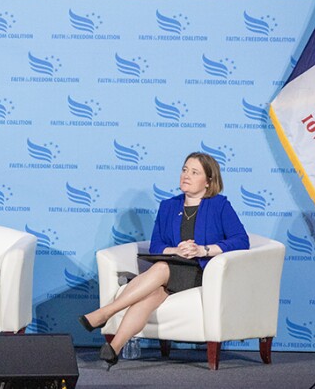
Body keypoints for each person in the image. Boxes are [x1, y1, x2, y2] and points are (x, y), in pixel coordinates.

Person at [79, 152, 249, 368]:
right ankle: (114, 348)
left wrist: (202, 250)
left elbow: (241, 240)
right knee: (150, 294)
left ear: (208, 181)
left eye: (194, 172)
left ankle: (106, 312)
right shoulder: (169, 206)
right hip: (174, 268)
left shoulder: (219, 205)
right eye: (184, 169)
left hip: (202, 271)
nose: (186, 175)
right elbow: (156, 245)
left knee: (160, 268)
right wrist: (176, 250)